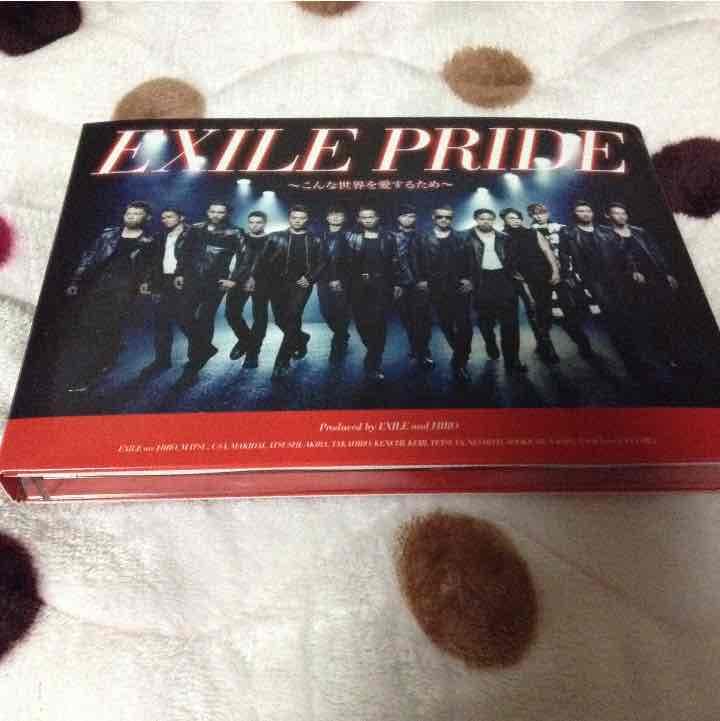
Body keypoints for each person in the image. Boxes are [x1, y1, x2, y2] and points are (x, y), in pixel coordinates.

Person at [64, 201, 154, 392]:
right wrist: (75, 280)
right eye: (129, 213)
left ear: (146, 218)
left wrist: (147, 284)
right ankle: (108, 354)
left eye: (137, 214)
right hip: (100, 284)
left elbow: (151, 266)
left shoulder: (150, 240)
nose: (131, 216)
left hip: (125, 288)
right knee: (89, 326)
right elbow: (89, 257)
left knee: (108, 327)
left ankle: (88, 376)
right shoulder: (108, 234)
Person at [596, 202, 679, 373]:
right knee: (648, 319)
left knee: (668, 314)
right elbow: (610, 264)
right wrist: (630, 273)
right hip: (633, 285)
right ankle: (662, 355)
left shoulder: (639, 231)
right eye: (616, 213)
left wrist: (667, 273)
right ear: (608, 216)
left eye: (623, 213)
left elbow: (656, 252)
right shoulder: (606, 237)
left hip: (656, 278)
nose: (621, 216)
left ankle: (675, 352)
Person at [174, 201, 247, 377]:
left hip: (216, 281)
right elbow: (184, 252)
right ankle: (205, 348)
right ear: (208, 212)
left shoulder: (235, 232)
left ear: (226, 214)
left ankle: (195, 361)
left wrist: (234, 280)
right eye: (213, 211)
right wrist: (179, 273)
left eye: (220, 212)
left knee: (205, 318)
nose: (216, 215)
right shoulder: (195, 228)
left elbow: (245, 257)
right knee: (183, 316)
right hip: (192, 278)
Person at [256, 205, 323, 379]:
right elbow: (262, 261)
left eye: (301, 218)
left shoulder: (315, 239)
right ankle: (301, 338)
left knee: (293, 317)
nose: (297, 221)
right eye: (294, 217)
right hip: (276, 284)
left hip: (301, 284)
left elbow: (322, 261)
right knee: (280, 320)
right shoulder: (274, 236)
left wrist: (310, 278)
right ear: (289, 218)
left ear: (306, 219)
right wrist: (261, 282)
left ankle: (282, 361)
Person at [341, 205, 403, 382]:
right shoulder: (349, 236)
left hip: (382, 285)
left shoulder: (389, 237)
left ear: (377, 218)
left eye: (371, 217)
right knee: (362, 324)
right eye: (364, 217)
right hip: (357, 285)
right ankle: (373, 350)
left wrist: (398, 283)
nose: (367, 220)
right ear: (359, 219)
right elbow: (342, 262)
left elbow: (396, 261)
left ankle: (373, 363)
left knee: (379, 323)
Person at [468, 208, 527, 375]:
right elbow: (460, 261)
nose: (485, 221)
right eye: (482, 218)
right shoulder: (465, 237)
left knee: (510, 323)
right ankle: (490, 343)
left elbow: (514, 259)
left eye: (489, 218)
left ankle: (512, 360)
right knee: (485, 321)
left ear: (493, 220)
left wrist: (516, 276)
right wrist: (467, 280)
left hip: (504, 280)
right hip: (481, 281)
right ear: (476, 219)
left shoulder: (504, 237)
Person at [500, 207, 562, 363]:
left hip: (542, 276)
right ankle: (547, 346)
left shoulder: (533, 232)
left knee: (545, 311)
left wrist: (555, 271)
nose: (515, 220)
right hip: (521, 279)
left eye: (517, 218)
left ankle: (541, 342)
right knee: (533, 308)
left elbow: (547, 251)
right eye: (511, 218)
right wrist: (514, 274)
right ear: (504, 220)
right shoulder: (502, 237)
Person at [421, 204, 475, 382]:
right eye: (440, 216)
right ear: (433, 218)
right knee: (446, 324)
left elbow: (472, 260)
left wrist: (470, 279)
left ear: (452, 219)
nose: (444, 220)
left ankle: (459, 361)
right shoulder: (423, 238)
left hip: (459, 287)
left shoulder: (462, 237)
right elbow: (416, 260)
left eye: (448, 217)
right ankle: (461, 352)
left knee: (465, 325)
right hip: (436, 288)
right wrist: (421, 280)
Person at [140, 206, 191, 375]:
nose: (165, 220)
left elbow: (198, 259)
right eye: (163, 218)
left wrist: (186, 275)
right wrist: (148, 281)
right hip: (163, 281)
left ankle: (200, 353)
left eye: (170, 216)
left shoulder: (193, 234)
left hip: (184, 281)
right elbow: (153, 262)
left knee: (185, 320)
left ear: (181, 217)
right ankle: (162, 361)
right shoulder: (160, 236)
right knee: (161, 322)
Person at [224, 209, 271, 369]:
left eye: (258, 222)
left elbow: (270, 262)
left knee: (260, 317)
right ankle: (245, 341)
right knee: (231, 313)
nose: (254, 225)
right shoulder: (241, 237)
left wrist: (254, 278)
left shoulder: (271, 239)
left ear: (265, 223)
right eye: (251, 222)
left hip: (263, 281)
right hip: (239, 279)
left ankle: (253, 353)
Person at [392, 203, 433, 369]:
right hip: (401, 285)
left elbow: (429, 260)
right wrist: (396, 283)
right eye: (405, 216)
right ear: (398, 218)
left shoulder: (423, 236)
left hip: (421, 284)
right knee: (407, 320)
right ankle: (416, 349)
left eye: (412, 216)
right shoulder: (391, 237)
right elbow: (390, 262)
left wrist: (425, 279)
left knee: (423, 320)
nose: (409, 219)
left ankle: (423, 351)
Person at [316, 206, 352, 363]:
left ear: (344, 218)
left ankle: (338, 345)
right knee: (326, 312)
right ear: (327, 218)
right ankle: (342, 334)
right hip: (323, 279)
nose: (336, 217)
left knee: (341, 312)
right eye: (332, 215)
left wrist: (340, 278)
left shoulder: (350, 236)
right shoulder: (319, 236)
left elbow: (354, 259)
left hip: (343, 280)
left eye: (339, 215)